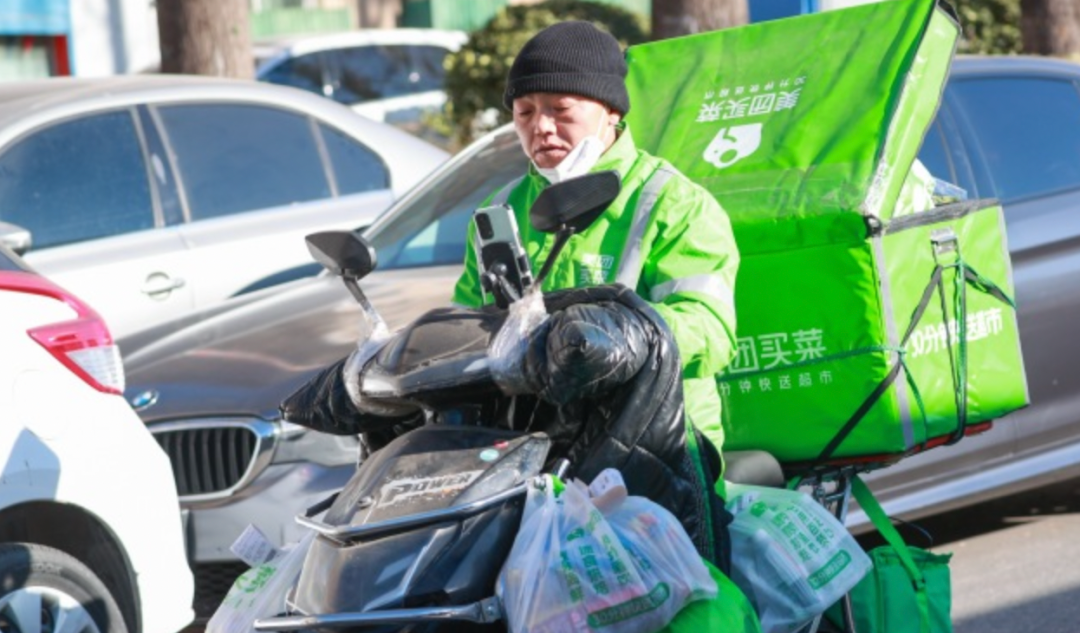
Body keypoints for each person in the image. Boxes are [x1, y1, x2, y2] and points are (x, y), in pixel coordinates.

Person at [451, 20, 740, 464]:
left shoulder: (673, 202)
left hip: (660, 452)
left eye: (560, 109)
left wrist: (622, 338)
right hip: (536, 456)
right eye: (525, 112)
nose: (541, 126)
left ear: (611, 111)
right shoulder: (500, 211)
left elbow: (712, 330)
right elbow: (465, 326)